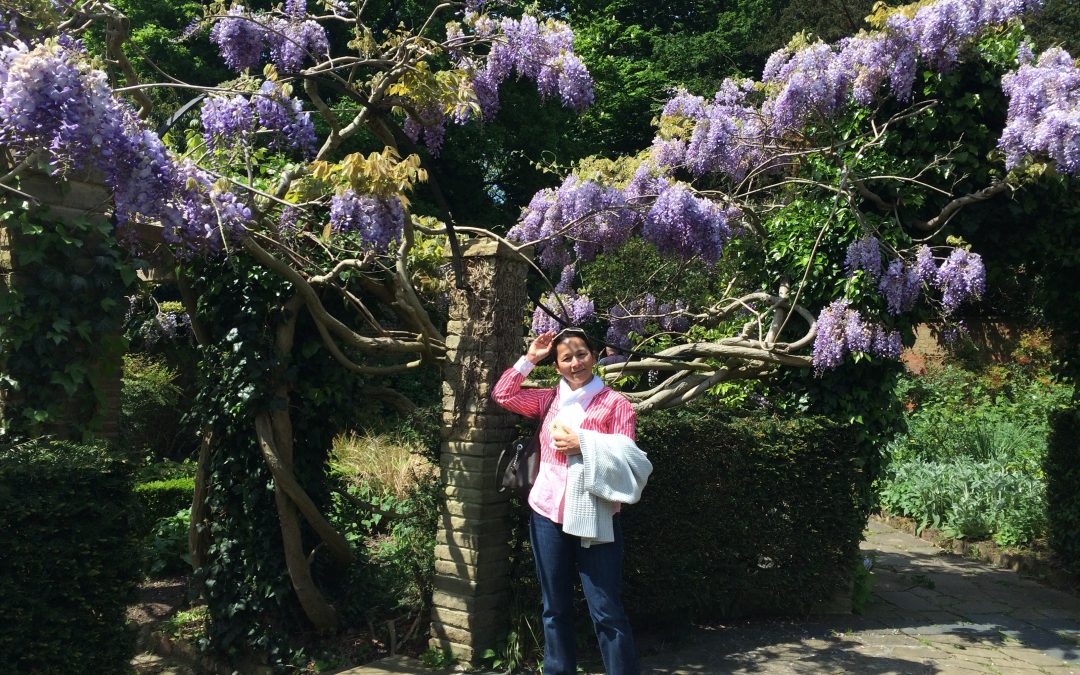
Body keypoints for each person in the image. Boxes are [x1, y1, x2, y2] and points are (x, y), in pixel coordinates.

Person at [492, 327, 648, 675]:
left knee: (606, 611)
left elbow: (628, 461)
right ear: (558, 365)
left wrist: (585, 444)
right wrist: (531, 357)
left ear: (594, 356)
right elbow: (503, 394)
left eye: (582, 354)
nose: (575, 362)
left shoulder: (616, 404)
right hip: (546, 515)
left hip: (597, 518)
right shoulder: (549, 399)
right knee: (554, 608)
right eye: (566, 358)